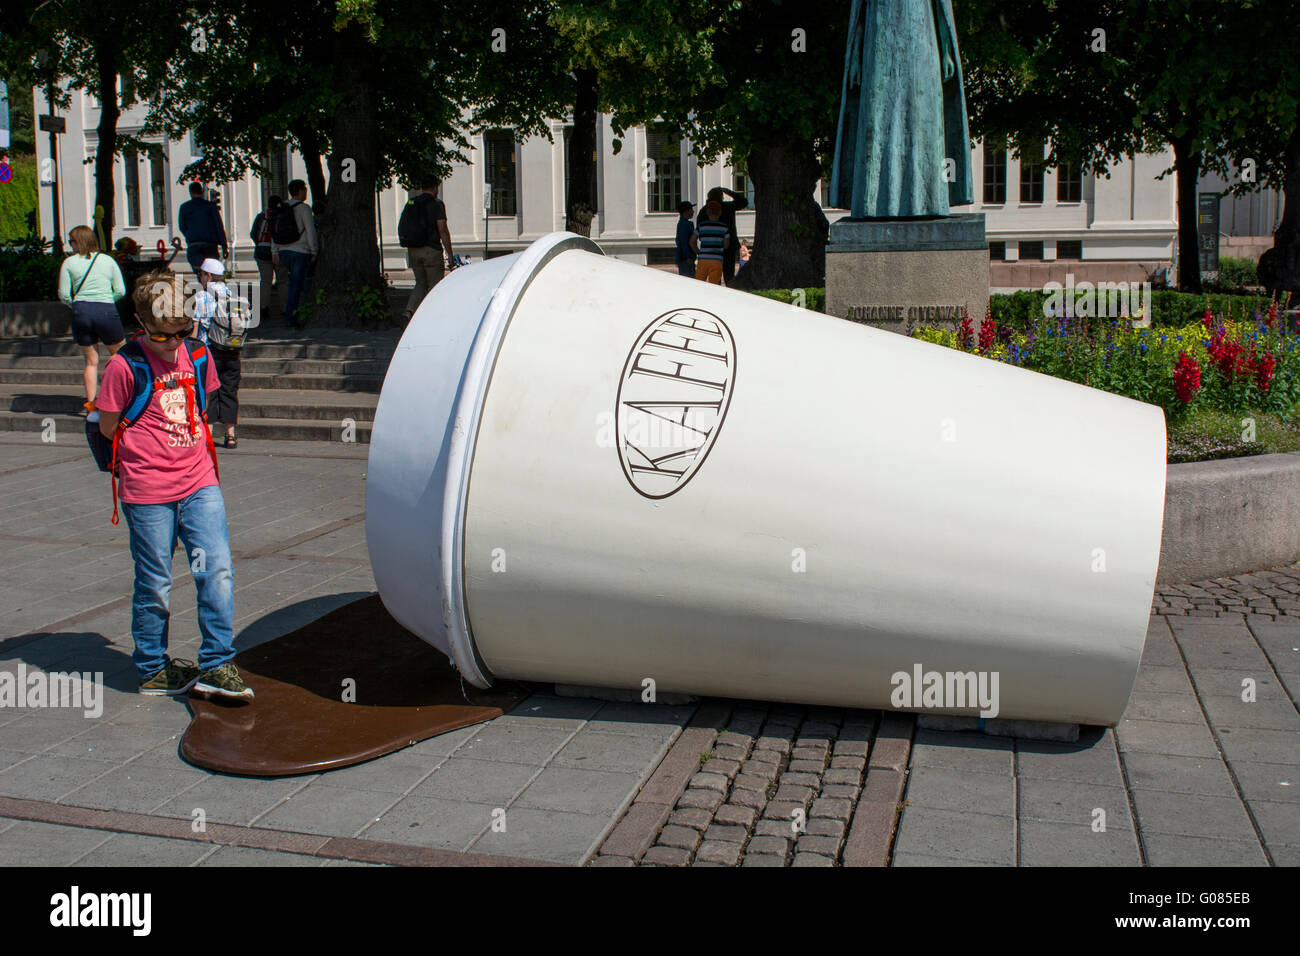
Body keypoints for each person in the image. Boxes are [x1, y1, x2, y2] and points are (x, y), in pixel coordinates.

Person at [96, 270, 251, 700]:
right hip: (147, 491)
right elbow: (109, 427)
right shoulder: (124, 365)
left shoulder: (198, 355)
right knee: (155, 582)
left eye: (183, 332)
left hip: (199, 482)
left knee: (216, 570)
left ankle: (218, 662)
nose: (175, 343)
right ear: (142, 326)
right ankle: (151, 667)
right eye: (164, 336)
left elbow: (203, 406)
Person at [58, 225, 127, 414]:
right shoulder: (108, 261)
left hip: (81, 311)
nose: (70, 245)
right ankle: (112, 397)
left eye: (71, 241)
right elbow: (120, 290)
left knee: (90, 361)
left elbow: (64, 295)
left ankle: (91, 406)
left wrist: (78, 305)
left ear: (77, 242)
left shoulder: (69, 263)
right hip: (105, 309)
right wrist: (106, 301)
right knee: (118, 354)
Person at [192, 258, 243, 448]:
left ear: (208, 275)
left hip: (209, 351)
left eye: (202, 274)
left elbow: (195, 327)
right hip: (232, 351)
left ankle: (208, 434)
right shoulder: (234, 295)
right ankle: (231, 435)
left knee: (209, 392)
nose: (200, 278)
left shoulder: (201, 297)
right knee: (229, 391)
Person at [398, 177, 454, 322]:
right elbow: (442, 229)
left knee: (420, 283)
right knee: (434, 285)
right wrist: (450, 254)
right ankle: (430, 316)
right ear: (435, 188)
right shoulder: (437, 204)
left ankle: (408, 312)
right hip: (431, 249)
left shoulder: (411, 203)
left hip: (413, 249)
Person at [271, 179, 319, 327]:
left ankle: (288, 313)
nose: (306, 192)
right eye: (304, 189)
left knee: (287, 283)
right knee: (297, 286)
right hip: (300, 251)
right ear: (299, 191)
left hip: (283, 251)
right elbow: (310, 231)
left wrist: (275, 251)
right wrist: (314, 250)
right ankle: (293, 317)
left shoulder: (282, 207)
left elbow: (274, 230)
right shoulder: (304, 208)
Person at [696, 186, 748, 283]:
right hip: (729, 246)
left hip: (710, 249)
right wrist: (729, 192)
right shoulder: (728, 207)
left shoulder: (704, 211)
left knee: (714, 278)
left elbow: (699, 230)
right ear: (721, 197)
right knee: (729, 276)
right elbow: (744, 202)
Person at [177, 182, 229, 275]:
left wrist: (190, 235)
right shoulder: (210, 206)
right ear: (201, 191)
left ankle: (202, 284)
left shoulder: (184, 207)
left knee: (200, 272)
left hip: (194, 245)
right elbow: (219, 226)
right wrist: (224, 246)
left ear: (190, 192)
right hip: (210, 245)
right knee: (212, 272)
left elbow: (182, 226)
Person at [249, 196, 287, 322]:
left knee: (265, 281)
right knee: (282, 281)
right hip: (279, 251)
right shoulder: (282, 216)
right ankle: (285, 308)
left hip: (261, 250)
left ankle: (264, 307)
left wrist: (259, 243)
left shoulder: (261, 216)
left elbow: (253, 233)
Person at [691, 197, 730, 285]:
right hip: (717, 260)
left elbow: (692, 241)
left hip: (703, 259)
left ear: (707, 212)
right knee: (714, 286)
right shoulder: (724, 227)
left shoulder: (702, 225)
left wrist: (699, 252)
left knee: (699, 284)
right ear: (720, 212)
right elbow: (726, 245)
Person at [674, 200, 697, 277]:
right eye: (691, 210)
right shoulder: (685, 225)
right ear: (686, 211)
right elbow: (684, 242)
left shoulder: (684, 223)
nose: (693, 212)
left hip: (685, 257)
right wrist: (688, 257)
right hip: (685, 259)